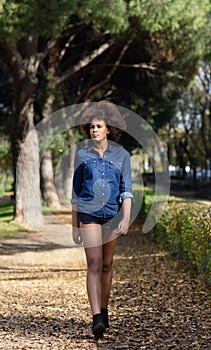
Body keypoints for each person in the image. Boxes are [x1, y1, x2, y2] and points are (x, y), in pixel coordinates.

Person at [71, 100, 133, 339]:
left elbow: (126, 190)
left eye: (99, 126)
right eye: (91, 127)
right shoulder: (81, 155)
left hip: (113, 216)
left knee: (107, 265)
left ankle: (104, 311)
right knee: (94, 263)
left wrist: (126, 218)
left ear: (109, 128)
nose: (94, 130)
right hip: (89, 215)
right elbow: (75, 193)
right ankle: (96, 316)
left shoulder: (122, 156)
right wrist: (74, 224)